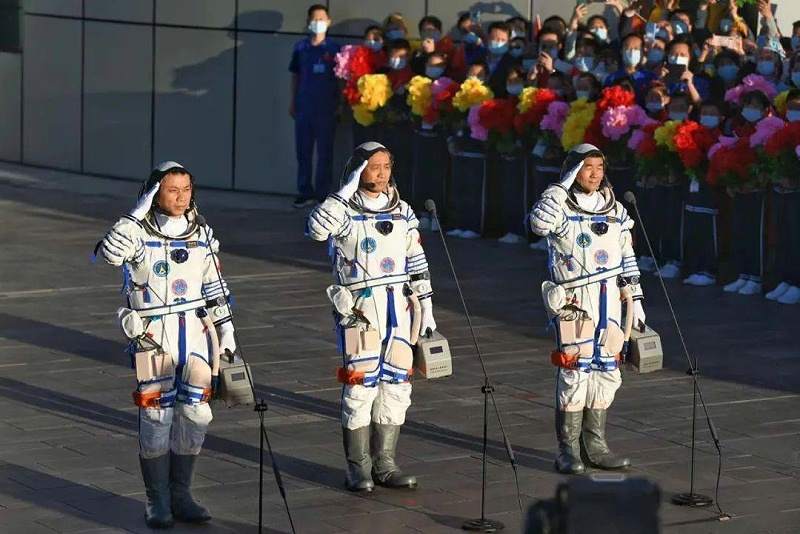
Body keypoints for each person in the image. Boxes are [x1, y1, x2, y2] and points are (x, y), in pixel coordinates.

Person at [98, 162, 235, 528]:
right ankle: (156, 500)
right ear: (154, 193)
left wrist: (228, 334)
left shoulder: (201, 231)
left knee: (197, 413)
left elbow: (214, 286)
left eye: (186, 189)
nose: (180, 197)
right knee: (157, 415)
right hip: (153, 333)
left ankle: (181, 493)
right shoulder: (136, 233)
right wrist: (136, 212)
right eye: (172, 190)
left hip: (195, 330)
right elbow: (108, 254)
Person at [306, 142, 436, 492]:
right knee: (360, 387)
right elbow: (316, 230)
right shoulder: (342, 210)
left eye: (385, 166)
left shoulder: (403, 210)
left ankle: (385, 463)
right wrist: (344, 190)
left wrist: (427, 310)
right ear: (357, 169)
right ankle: (358, 467)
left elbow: (417, 260)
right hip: (361, 311)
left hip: (400, 307)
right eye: (373, 166)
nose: (380, 173)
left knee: (397, 386)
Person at [530, 144, 645, 475]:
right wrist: (560, 187)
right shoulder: (559, 206)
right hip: (575, 301)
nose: (594, 174)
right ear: (572, 171)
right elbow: (538, 225)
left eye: (599, 167)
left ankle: (596, 445)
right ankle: (567, 449)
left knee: (607, 371)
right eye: (586, 167)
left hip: (609, 299)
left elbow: (627, 257)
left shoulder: (615, 209)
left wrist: (635, 299)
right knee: (574, 373)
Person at [289, 4, 342, 208]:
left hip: (327, 108)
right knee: (303, 151)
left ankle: (322, 193)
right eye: (314, 19)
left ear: (328, 22)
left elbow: (340, 79)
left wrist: (340, 104)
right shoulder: (301, 48)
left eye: (322, 19)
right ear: (308, 23)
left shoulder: (334, 49)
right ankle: (304, 191)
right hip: (304, 107)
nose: (318, 23)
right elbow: (295, 76)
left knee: (325, 153)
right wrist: (292, 101)